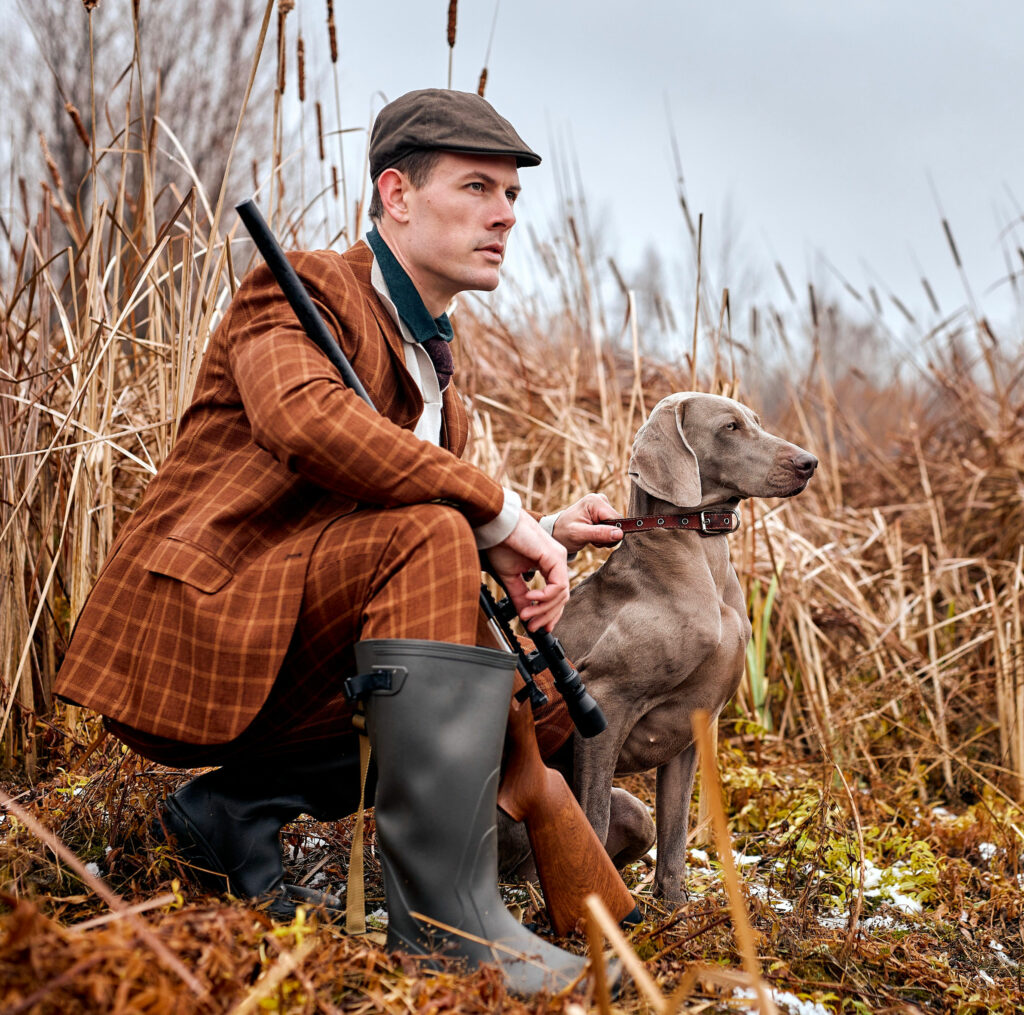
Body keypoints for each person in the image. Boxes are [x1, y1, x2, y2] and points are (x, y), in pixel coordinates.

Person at [56, 88, 624, 992]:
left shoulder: (437, 369)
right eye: (478, 187)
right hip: (211, 617)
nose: (506, 214)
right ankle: (445, 927)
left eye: (513, 196)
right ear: (396, 195)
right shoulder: (302, 288)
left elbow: (399, 510)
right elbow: (307, 423)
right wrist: (494, 512)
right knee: (437, 533)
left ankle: (232, 813)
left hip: (302, 629)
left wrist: (530, 540)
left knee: (535, 693)